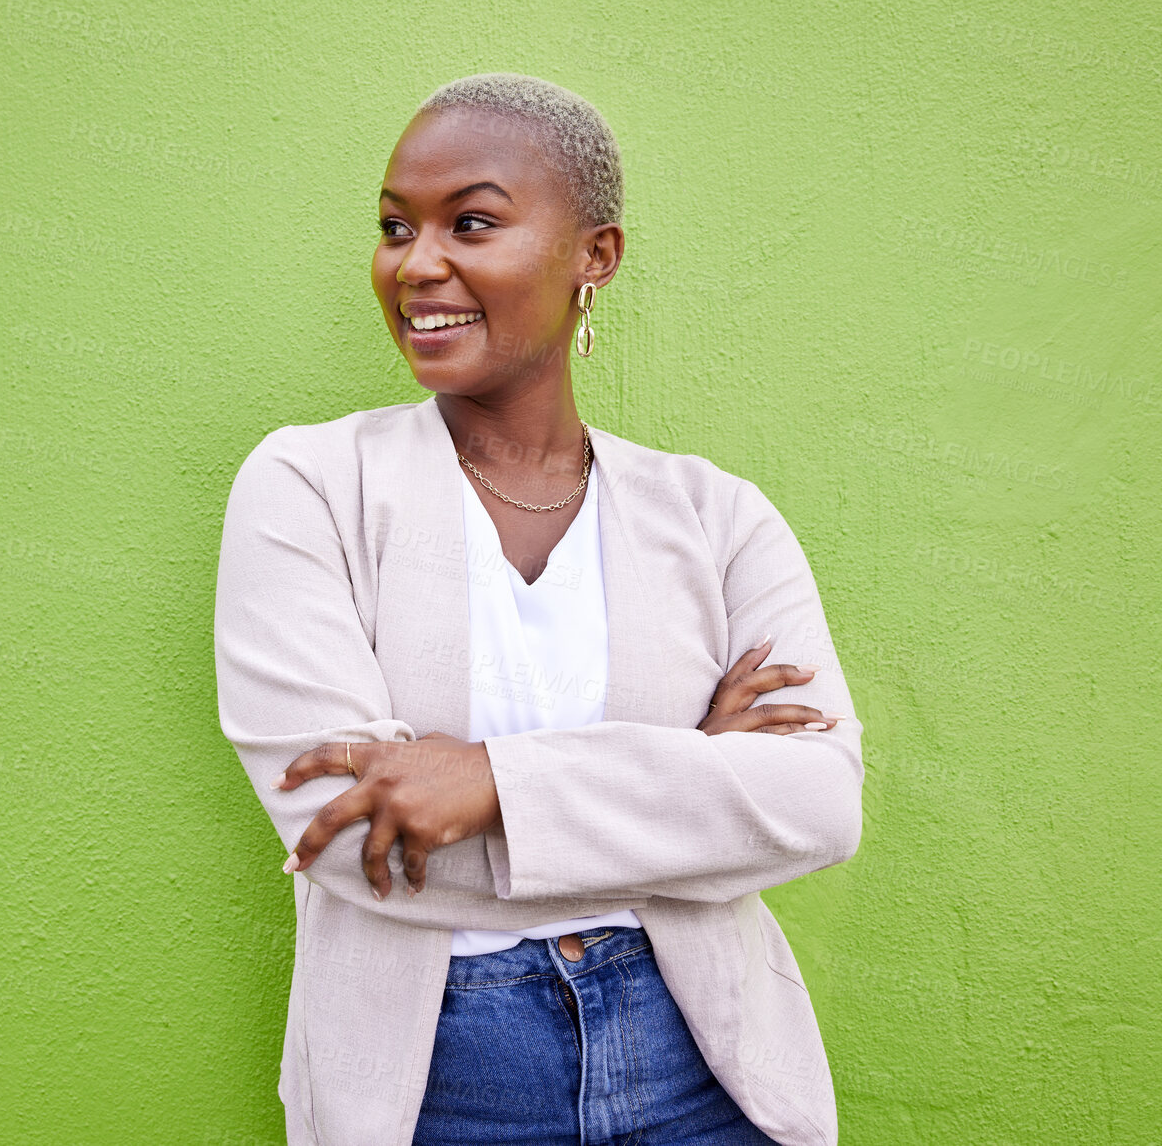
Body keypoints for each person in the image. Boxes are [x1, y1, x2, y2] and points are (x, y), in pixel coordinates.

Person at [214, 72, 863, 1146]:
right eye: (393, 227)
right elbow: (348, 836)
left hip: (706, 1063)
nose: (418, 264)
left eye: (471, 222)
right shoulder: (310, 486)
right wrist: (692, 766)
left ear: (593, 256)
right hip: (441, 1081)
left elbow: (818, 803)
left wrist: (489, 783)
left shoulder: (715, 516)